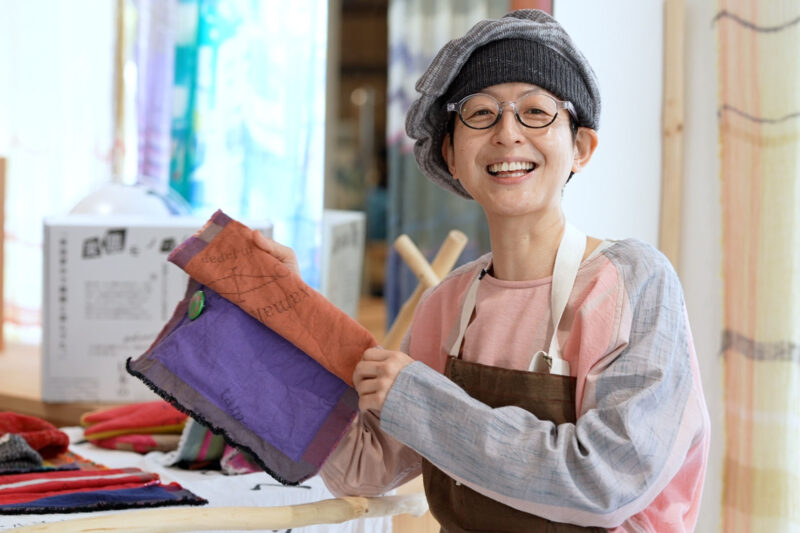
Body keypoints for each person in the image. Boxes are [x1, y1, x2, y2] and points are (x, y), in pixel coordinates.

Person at [256, 9, 709, 532]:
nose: (507, 133)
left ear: (580, 148)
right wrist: (290, 319)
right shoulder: (446, 306)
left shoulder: (634, 283)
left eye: (535, 111)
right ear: (451, 154)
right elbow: (364, 468)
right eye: (480, 113)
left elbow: (607, 483)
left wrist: (420, 401)